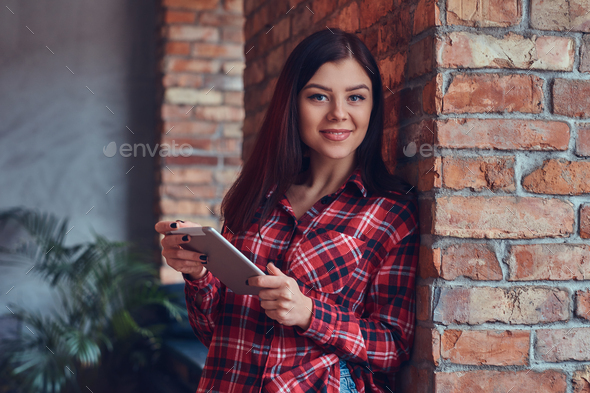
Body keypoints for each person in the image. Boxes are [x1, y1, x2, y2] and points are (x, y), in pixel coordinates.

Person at [155, 27, 419, 393]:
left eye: (356, 97)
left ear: (373, 107)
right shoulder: (258, 199)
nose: (339, 113)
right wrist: (198, 274)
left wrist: (310, 313)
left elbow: (393, 346)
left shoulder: (390, 214)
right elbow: (215, 334)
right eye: (319, 97)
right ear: (293, 104)